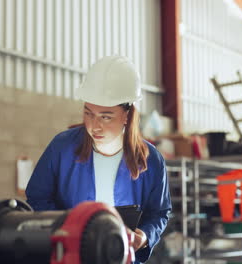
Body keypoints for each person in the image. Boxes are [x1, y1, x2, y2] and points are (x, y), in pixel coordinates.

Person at [25, 55, 171, 263]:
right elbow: (37, 198)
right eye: (88, 113)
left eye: (105, 116)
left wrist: (145, 236)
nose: (94, 125)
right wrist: (66, 228)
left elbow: (159, 212)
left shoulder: (151, 160)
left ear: (127, 115)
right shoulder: (62, 147)